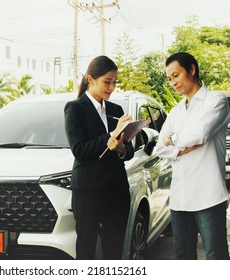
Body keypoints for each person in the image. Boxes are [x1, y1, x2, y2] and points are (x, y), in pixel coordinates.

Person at [155, 52, 230, 260]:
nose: (172, 83)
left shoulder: (216, 101)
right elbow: (159, 148)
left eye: (176, 75)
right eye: (169, 79)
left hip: (209, 196)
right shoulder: (176, 111)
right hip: (180, 198)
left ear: (192, 69)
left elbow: (201, 133)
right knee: (183, 257)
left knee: (216, 257)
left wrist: (174, 139)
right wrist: (182, 146)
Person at [64, 55, 134, 260]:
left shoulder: (116, 110)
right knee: (86, 247)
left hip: (116, 189)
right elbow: (79, 149)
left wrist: (121, 147)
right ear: (90, 79)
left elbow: (128, 152)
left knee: (114, 247)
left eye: (114, 82)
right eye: (107, 82)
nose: (111, 87)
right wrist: (109, 137)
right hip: (89, 191)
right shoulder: (75, 108)